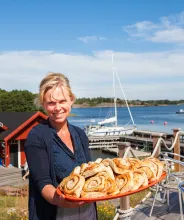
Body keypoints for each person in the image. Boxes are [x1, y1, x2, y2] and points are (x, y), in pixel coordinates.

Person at [25, 72, 97, 220]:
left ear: (71, 100)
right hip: (57, 212)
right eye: (51, 103)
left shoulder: (80, 134)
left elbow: (89, 173)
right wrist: (61, 200)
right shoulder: (37, 136)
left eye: (62, 101)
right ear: (44, 105)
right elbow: (43, 183)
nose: (58, 108)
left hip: (88, 211)